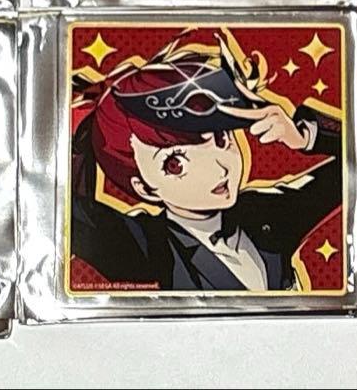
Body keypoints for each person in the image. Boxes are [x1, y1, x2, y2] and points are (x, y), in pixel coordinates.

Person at [70, 35, 341, 291]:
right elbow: (61, 210)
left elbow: (356, 169)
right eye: (175, 164)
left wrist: (306, 137)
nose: (219, 168)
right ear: (144, 188)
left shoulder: (263, 212)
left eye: (221, 138)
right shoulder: (145, 245)